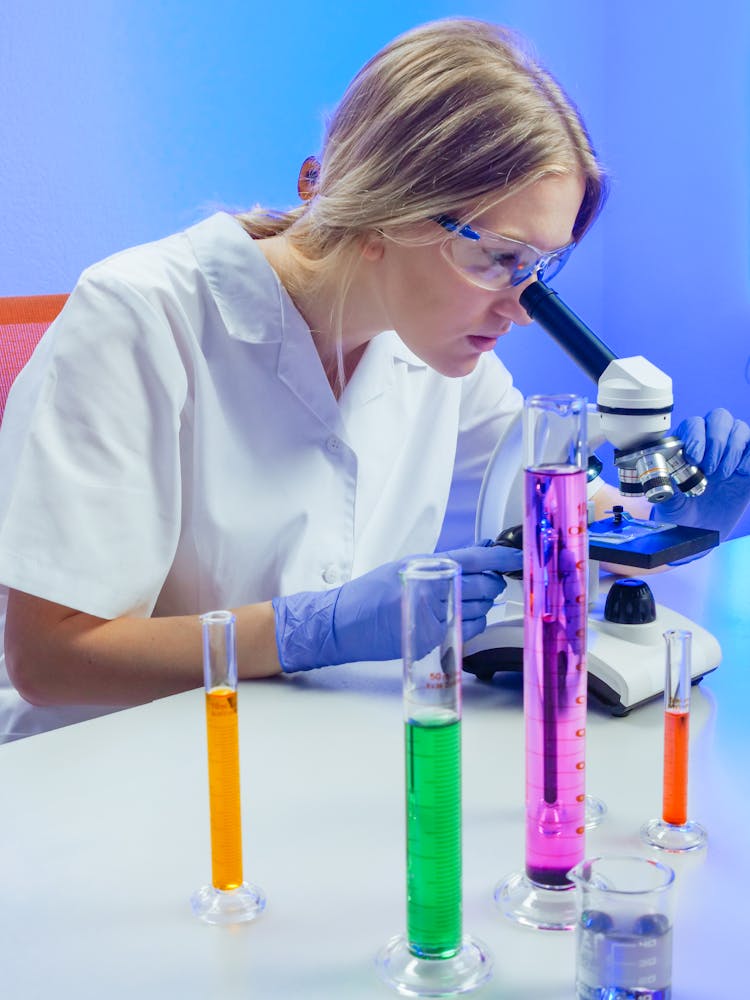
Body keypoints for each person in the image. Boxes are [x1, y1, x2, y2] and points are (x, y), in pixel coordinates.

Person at [0, 18, 748, 741]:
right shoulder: (140, 318)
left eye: (541, 271)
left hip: (303, 763)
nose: (522, 310)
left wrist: (684, 520)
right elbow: (50, 659)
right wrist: (304, 633)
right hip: (104, 773)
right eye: (499, 259)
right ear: (391, 208)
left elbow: (568, 518)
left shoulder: (439, 353)